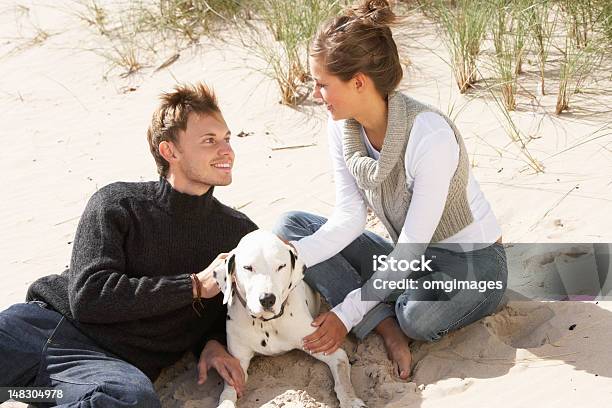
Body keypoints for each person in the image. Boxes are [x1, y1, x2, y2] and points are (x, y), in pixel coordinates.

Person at [273, 0, 507, 380]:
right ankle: (384, 318)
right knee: (290, 227)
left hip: (473, 264)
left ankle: (387, 307)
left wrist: (346, 311)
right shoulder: (341, 127)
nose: (316, 95)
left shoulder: (428, 136)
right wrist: (286, 257)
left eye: (322, 85)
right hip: (411, 260)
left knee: (416, 317)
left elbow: (412, 247)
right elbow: (349, 219)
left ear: (359, 82)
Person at [0, 83, 257, 407]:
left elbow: (231, 310)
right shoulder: (117, 203)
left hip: (106, 369)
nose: (226, 151)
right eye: (210, 141)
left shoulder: (238, 233)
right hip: (42, 329)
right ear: (170, 151)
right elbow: (89, 296)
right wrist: (190, 286)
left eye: (227, 139)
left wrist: (214, 342)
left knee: (132, 400)